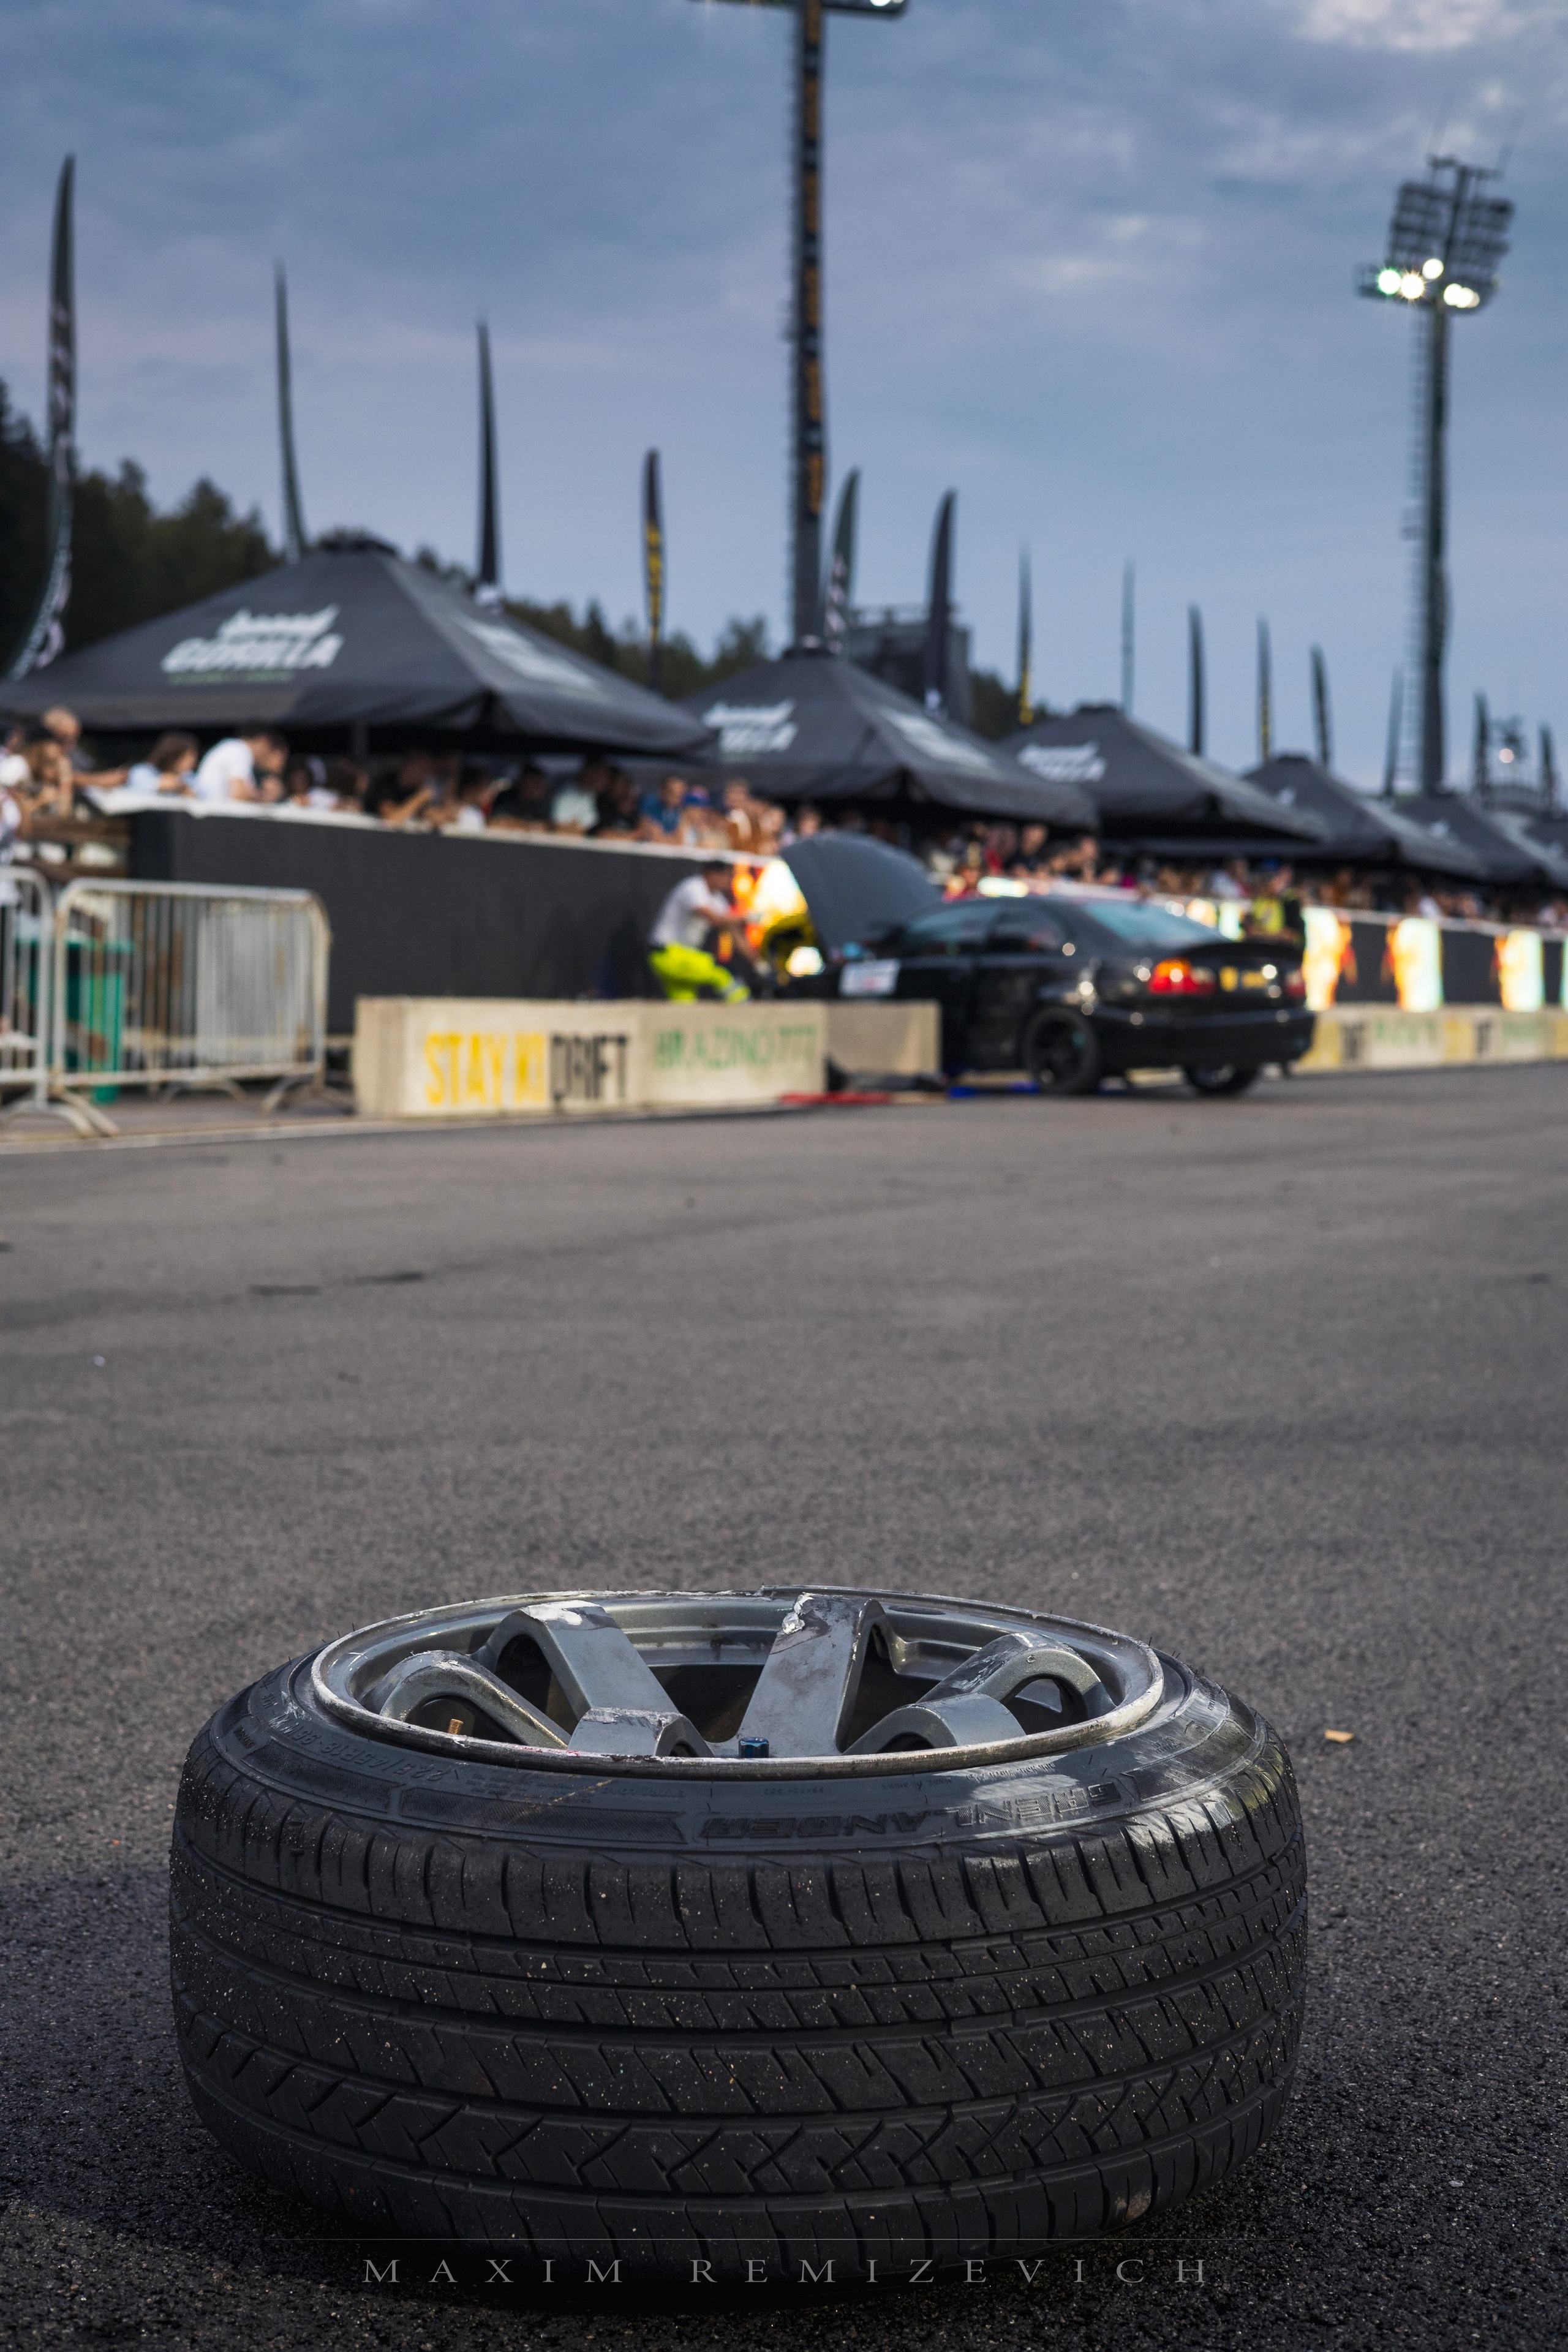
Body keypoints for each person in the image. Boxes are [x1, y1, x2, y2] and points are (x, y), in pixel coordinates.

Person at [647, 859, 752, 1002]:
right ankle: (747, 1014)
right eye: (725, 875)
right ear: (711, 874)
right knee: (722, 975)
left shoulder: (718, 899)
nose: (728, 881)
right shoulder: (693, 887)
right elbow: (712, 918)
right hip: (669, 954)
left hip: (684, 955)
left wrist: (757, 961)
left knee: (684, 1006)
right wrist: (746, 918)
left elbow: (733, 931)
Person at [192, 725, 287, 804]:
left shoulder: (235, 749)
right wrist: (268, 795)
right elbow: (239, 795)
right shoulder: (238, 749)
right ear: (263, 741)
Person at [126, 732, 199, 795]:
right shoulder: (143, 771)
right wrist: (160, 784)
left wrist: (186, 790)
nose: (193, 761)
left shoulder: (188, 777)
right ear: (174, 756)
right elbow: (138, 785)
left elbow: (202, 793)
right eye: (186, 757)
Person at [489, 764, 554, 831]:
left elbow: (549, 826)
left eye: (542, 784)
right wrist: (528, 826)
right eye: (536, 783)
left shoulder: (543, 803)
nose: (541, 788)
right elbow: (497, 821)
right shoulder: (505, 798)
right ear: (523, 783)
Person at [551, 757, 606, 833]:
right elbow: (561, 828)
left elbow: (589, 825)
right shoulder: (567, 794)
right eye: (597, 773)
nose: (601, 779)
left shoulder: (591, 796)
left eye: (603, 775)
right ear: (587, 772)